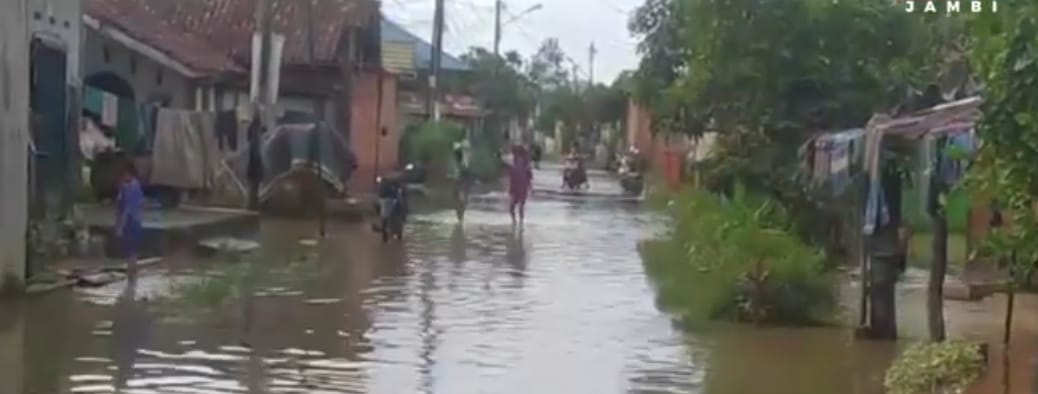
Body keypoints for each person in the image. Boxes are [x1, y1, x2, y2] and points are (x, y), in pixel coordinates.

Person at [115, 160, 144, 274]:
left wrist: (121, 226)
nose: (123, 176)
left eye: (125, 174)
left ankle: (132, 271)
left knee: (131, 250)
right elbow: (120, 207)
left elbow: (128, 208)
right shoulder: (125, 186)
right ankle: (131, 271)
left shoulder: (133, 187)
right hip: (129, 220)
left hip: (132, 221)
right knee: (129, 249)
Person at [508, 144, 533, 227]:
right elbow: (510, 177)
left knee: (520, 206)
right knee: (512, 207)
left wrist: (530, 188)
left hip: (522, 187)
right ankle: (515, 222)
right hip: (516, 187)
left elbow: (530, 177)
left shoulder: (526, 166)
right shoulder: (513, 165)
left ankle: (520, 223)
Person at [452, 133, 473, 221]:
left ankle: (460, 216)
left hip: (464, 173)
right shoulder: (458, 147)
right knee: (459, 196)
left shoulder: (465, 149)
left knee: (463, 196)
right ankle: (460, 216)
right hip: (461, 173)